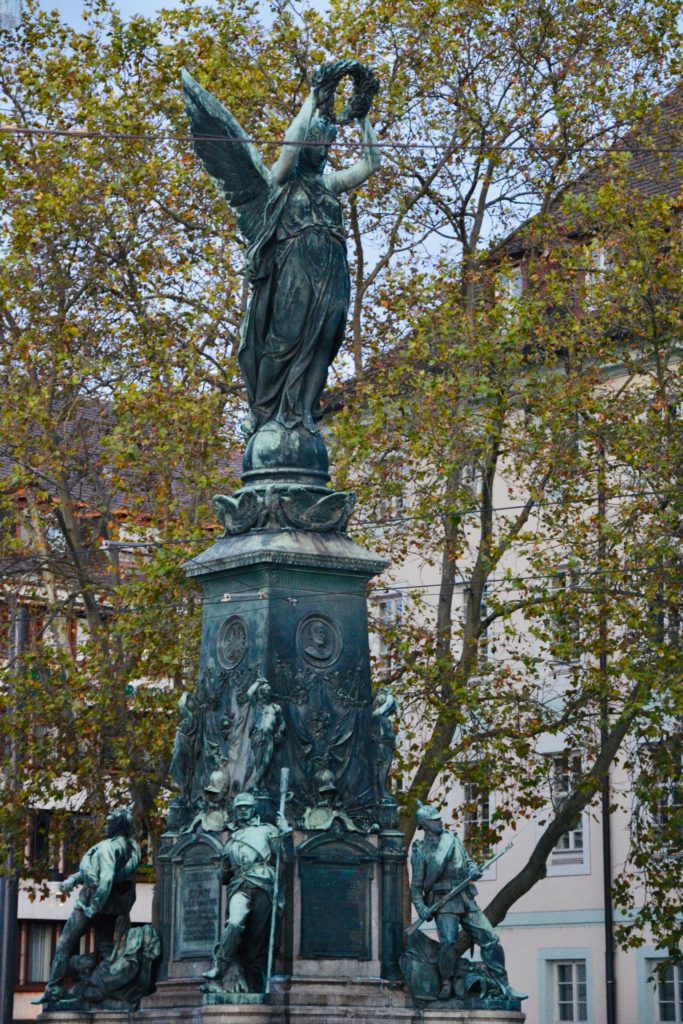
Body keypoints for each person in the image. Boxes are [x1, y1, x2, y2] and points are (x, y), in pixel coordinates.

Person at [182, 63, 381, 435]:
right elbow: (291, 145)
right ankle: (266, 411)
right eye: (316, 142)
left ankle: (302, 414)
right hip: (295, 270)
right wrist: (315, 93)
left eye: (327, 143)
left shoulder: (329, 185)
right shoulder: (277, 186)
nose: (322, 148)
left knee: (322, 343)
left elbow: (372, 162)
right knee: (285, 339)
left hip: (332, 273)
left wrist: (364, 117)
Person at [410, 803, 523, 1002]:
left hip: (464, 897)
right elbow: (416, 886)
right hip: (443, 901)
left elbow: (468, 862)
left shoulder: (452, 840)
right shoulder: (421, 851)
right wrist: (420, 907)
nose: (440, 821)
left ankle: (503, 983)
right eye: (435, 819)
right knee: (448, 944)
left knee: (490, 938)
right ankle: (446, 983)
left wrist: (473, 870)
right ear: (425, 825)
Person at [33, 808, 141, 1004]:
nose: (105, 826)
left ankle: (53, 988)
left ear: (117, 826)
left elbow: (105, 879)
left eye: (109, 823)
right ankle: (114, 986)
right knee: (107, 949)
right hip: (111, 906)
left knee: (65, 942)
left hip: (92, 902)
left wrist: (94, 905)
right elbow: (98, 873)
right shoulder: (128, 847)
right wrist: (73, 880)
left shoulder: (109, 848)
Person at [201, 792, 291, 993]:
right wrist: (223, 866)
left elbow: (286, 857)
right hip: (240, 884)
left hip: (264, 884)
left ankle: (254, 982)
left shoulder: (268, 830)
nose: (242, 810)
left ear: (254, 808)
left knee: (257, 940)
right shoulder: (231, 839)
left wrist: (285, 833)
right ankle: (220, 967)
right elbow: (224, 878)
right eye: (239, 807)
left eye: (246, 807)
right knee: (234, 923)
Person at [247, 676, 285, 791]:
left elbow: (282, 723)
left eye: (268, 691)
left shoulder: (275, 707)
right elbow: (249, 694)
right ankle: (257, 785)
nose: (266, 694)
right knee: (260, 762)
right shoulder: (258, 706)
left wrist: (279, 732)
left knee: (266, 762)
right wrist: (258, 682)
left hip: (269, 737)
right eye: (264, 691)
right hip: (259, 735)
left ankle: (259, 784)